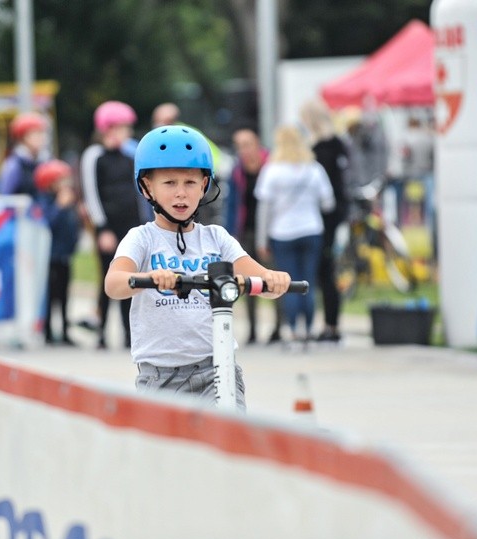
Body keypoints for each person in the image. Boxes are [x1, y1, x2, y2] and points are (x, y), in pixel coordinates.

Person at [104, 125, 292, 411]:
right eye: (169, 183)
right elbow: (114, 284)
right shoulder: (142, 238)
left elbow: (259, 278)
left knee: (230, 442)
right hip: (160, 377)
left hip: (218, 371)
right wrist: (150, 278)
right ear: (147, 187)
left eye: (190, 183)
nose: (181, 194)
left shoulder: (216, 238)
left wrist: (274, 279)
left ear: (204, 185)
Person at [255, 126, 335, 343]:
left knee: (286, 283)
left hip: (282, 233)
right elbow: (328, 203)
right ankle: (308, 329)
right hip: (311, 230)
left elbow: (264, 208)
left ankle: (292, 330)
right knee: (307, 281)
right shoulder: (314, 169)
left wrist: (261, 240)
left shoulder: (272, 170)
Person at [80, 100, 145, 349]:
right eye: (123, 127)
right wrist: (102, 227)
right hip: (108, 227)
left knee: (130, 279)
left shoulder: (128, 158)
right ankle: (102, 333)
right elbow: (91, 194)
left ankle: (130, 334)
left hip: (130, 225)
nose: (127, 133)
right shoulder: (94, 155)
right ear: (108, 128)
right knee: (107, 278)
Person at [227, 122, 283, 344]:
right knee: (246, 281)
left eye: (247, 144)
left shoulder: (272, 166)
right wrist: (231, 234)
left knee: (272, 278)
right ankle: (251, 329)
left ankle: (279, 326)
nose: (244, 150)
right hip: (246, 230)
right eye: (239, 145)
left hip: (270, 232)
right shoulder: (237, 171)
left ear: (257, 144)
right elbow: (231, 204)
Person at [300, 99, 351, 342]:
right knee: (326, 271)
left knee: (324, 271)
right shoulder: (339, 145)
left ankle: (330, 324)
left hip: (323, 218)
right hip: (335, 214)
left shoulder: (320, 150)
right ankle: (331, 323)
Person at [34, 160, 81, 346]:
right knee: (50, 295)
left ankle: (64, 330)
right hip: (50, 256)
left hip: (65, 255)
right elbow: (46, 224)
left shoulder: (69, 201)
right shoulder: (44, 201)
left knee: (64, 295)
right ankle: (47, 331)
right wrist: (59, 206)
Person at [0, 112, 49, 199]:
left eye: (42, 133)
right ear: (23, 137)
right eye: (37, 133)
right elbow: (4, 196)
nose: (42, 138)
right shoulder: (13, 165)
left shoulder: (45, 161)